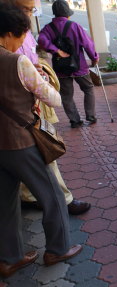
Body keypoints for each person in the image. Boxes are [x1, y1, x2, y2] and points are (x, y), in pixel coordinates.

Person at [0, 3, 82, 278]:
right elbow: (54, 99)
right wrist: (42, 75)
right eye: (21, 36)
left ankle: (9, 258)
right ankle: (57, 249)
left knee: (5, 202)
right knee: (53, 196)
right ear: (9, 33)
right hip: (21, 142)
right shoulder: (18, 62)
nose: (23, 41)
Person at [13, 0, 91, 215]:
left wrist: (47, 60)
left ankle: (29, 196)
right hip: (32, 104)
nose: (30, 14)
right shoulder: (13, 53)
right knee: (47, 151)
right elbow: (50, 97)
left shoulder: (37, 30)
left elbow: (40, 48)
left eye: (31, 10)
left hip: (44, 90)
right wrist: (92, 56)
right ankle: (63, 200)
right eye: (27, 9)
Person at [38, 0, 99, 129]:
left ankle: (75, 121)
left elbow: (41, 40)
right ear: (67, 13)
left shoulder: (48, 28)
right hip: (79, 66)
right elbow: (88, 44)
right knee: (88, 89)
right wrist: (94, 58)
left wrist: (56, 50)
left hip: (61, 68)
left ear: (54, 13)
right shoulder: (75, 26)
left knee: (66, 95)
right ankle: (91, 116)